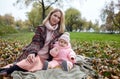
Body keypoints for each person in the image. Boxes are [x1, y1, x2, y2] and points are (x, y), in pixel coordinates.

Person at [0, 8, 65, 76]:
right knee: (31, 60)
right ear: (50, 15)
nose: (56, 18)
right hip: (37, 53)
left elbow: (62, 45)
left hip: (47, 58)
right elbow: (35, 42)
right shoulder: (41, 28)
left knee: (33, 63)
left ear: (60, 20)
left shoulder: (59, 33)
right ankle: (7, 70)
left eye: (59, 18)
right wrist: (33, 52)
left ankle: (8, 70)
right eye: (55, 15)